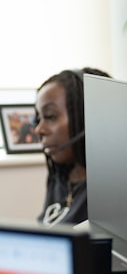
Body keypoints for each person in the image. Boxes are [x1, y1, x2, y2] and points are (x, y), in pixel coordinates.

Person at [34, 67, 110, 226]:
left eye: (50, 116)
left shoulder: (114, 189)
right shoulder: (59, 175)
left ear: (86, 115)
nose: (39, 129)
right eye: (38, 118)